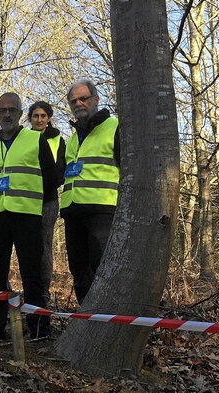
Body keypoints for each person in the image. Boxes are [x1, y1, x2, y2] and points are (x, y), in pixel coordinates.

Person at [0, 92, 59, 341]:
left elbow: (52, 178)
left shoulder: (35, 140)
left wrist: (34, 202)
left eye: (12, 110)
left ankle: (38, 329)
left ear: (20, 113)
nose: (7, 114)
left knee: (32, 274)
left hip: (27, 215)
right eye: (2, 110)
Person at [62, 80, 120, 304]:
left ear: (96, 100)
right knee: (79, 271)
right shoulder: (73, 139)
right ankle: (85, 318)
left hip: (103, 211)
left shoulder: (114, 127)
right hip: (73, 212)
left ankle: (108, 317)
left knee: (102, 269)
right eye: (73, 100)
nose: (78, 103)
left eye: (83, 98)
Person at [28, 101, 66, 305]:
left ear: (49, 118)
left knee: (44, 246)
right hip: (25, 199)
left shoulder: (58, 140)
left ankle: (43, 291)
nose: (40, 119)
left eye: (43, 116)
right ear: (30, 118)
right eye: (36, 116)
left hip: (48, 200)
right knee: (28, 246)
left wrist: (45, 183)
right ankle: (30, 289)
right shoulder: (23, 138)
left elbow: (61, 169)